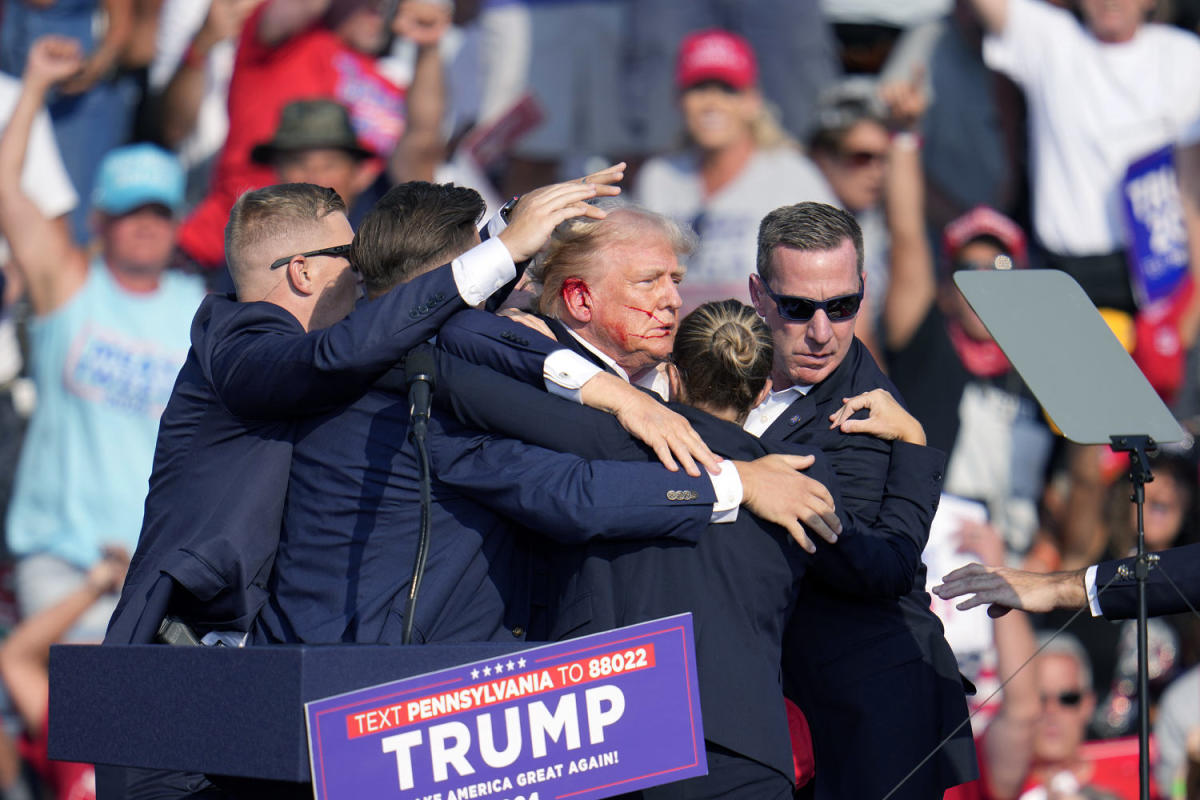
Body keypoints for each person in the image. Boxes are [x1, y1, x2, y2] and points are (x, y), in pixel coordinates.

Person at [253, 182, 820, 650]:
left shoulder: (390, 364)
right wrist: (737, 482)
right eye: (489, 259)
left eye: (675, 281)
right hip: (376, 691)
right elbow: (569, 493)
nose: (511, 276)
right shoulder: (421, 382)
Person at [107, 167, 632, 646]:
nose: (361, 273)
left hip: (261, 652)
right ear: (302, 273)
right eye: (349, 258)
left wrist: (511, 231)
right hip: (183, 655)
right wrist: (500, 250)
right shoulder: (238, 343)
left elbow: (406, 318)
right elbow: (348, 349)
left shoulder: (323, 347)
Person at [745, 201, 976, 798]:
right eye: (798, 308)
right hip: (780, 701)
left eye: (842, 306)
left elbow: (883, 564)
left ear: (863, 291)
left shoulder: (869, 417)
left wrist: (758, 481)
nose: (822, 332)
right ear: (759, 296)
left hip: (870, 711)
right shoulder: (721, 371)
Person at [0, 36, 205, 638]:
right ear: (99, 221)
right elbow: (8, 193)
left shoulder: (202, 315)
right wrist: (34, 86)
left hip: (158, 568)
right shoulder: (68, 286)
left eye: (158, 212)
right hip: (62, 560)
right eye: (128, 211)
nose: (145, 225)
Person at [967, 0, 1200, 313]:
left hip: (1157, 276)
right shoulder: (1050, 39)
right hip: (1063, 272)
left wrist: (1193, 301)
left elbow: (1192, 188)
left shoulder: (1184, 57)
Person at [633, 29, 835, 312]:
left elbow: (836, 283)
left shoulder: (793, 176)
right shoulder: (658, 178)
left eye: (728, 89)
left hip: (762, 350)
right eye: (699, 88)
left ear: (753, 101)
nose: (711, 103)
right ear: (678, 100)